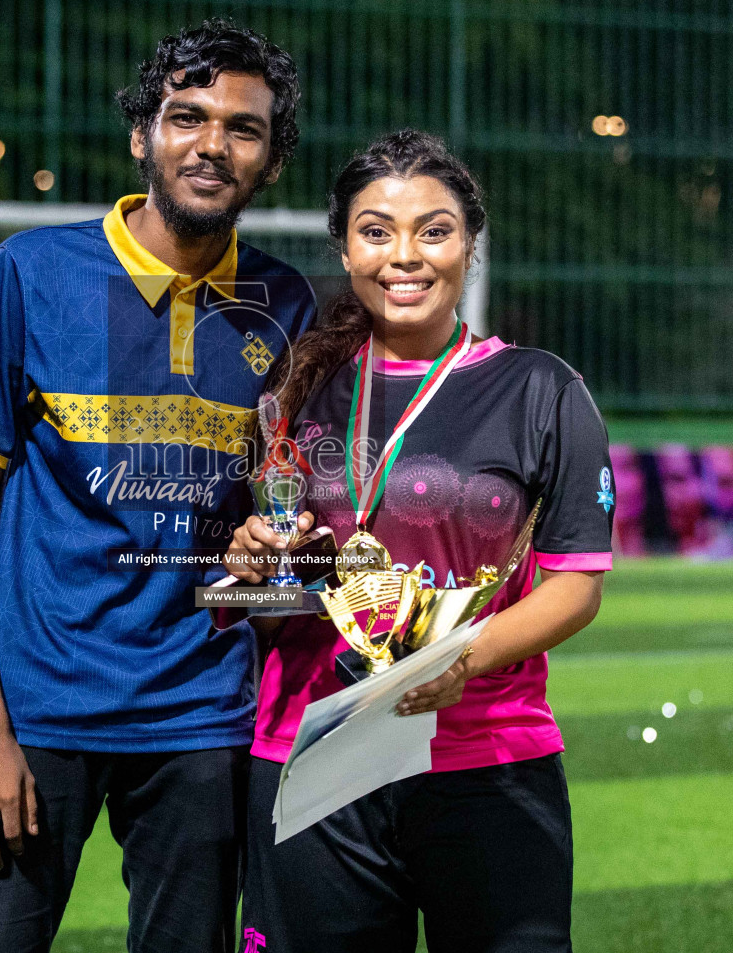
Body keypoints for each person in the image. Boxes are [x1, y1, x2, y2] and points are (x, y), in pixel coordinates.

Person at [0, 20, 316, 953]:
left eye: (243, 128)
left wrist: (282, 556)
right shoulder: (34, 273)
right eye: (186, 117)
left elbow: (278, 517)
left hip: (203, 717)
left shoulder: (290, 303)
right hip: (35, 713)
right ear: (141, 135)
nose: (211, 144)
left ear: (271, 162)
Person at [224, 131, 611, 953]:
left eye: (434, 230)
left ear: (470, 244)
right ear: (344, 246)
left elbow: (575, 587)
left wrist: (457, 661)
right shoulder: (294, 386)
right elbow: (261, 590)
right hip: (313, 754)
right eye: (376, 231)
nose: (405, 256)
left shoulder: (543, 390)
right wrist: (252, 561)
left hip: (487, 757)